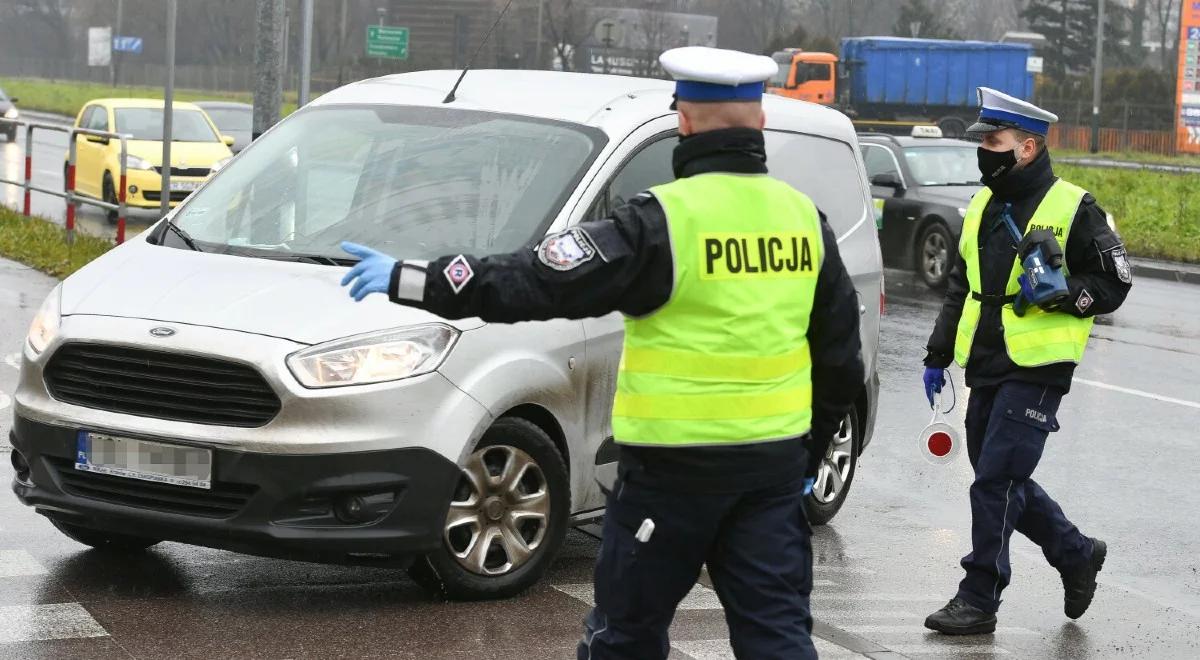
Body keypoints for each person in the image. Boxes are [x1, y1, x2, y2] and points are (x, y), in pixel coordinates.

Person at [339, 46, 865, 660]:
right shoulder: (805, 221)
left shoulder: (660, 222)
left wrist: (415, 279)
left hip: (671, 477)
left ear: (684, 122)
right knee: (778, 640)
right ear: (763, 124)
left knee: (628, 639)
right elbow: (840, 359)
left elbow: (535, 280)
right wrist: (808, 452)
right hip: (771, 472)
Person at [921, 88, 1133, 635]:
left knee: (996, 480)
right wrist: (938, 351)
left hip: (1038, 368)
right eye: (983, 142)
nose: (984, 151)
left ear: (1029, 148)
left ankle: (979, 596)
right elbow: (961, 285)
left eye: (994, 141)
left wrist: (1063, 294)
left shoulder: (1074, 206)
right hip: (985, 359)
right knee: (1000, 477)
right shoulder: (982, 206)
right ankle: (1076, 552)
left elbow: (1115, 280)